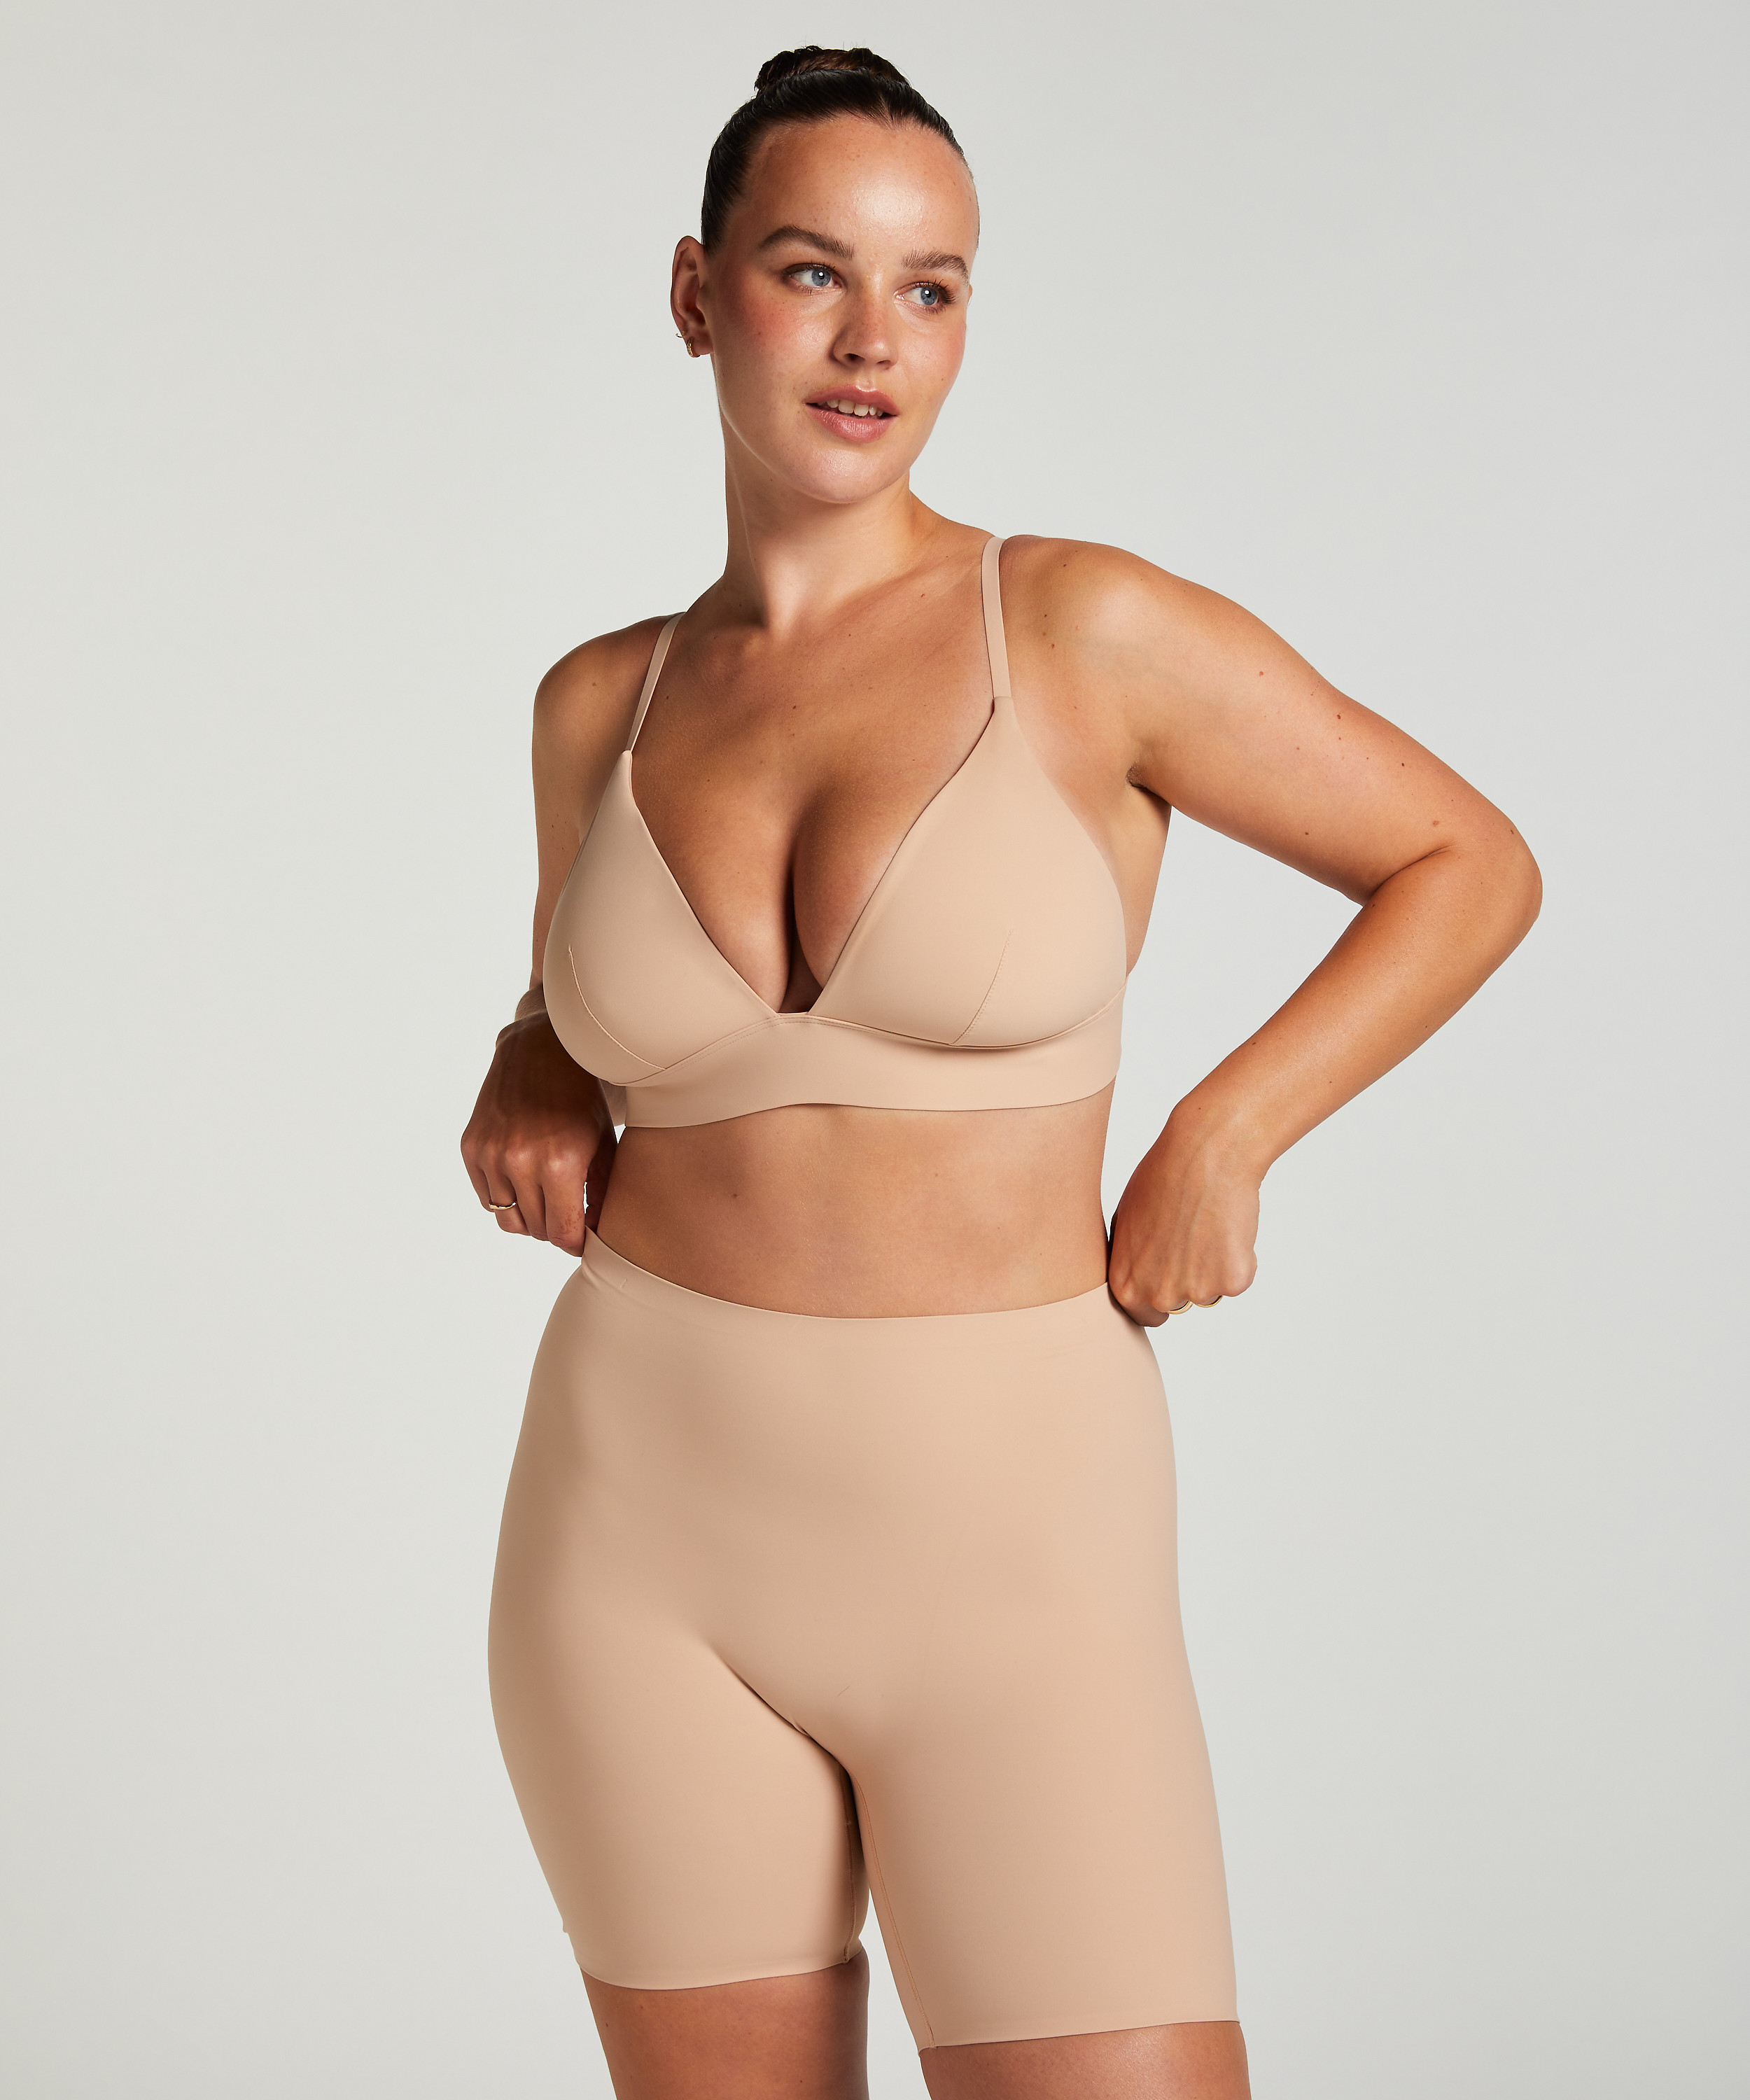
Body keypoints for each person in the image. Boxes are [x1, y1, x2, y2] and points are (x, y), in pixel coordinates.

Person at [461, 45, 1540, 2100]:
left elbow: (1464, 864)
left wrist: (1226, 1131)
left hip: (1015, 1540)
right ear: (696, 293)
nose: (873, 339)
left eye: (931, 287)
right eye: (812, 271)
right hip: (634, 1533)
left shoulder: (1078, 626)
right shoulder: (597, 701)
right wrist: (527, 1051)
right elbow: (583, 988)